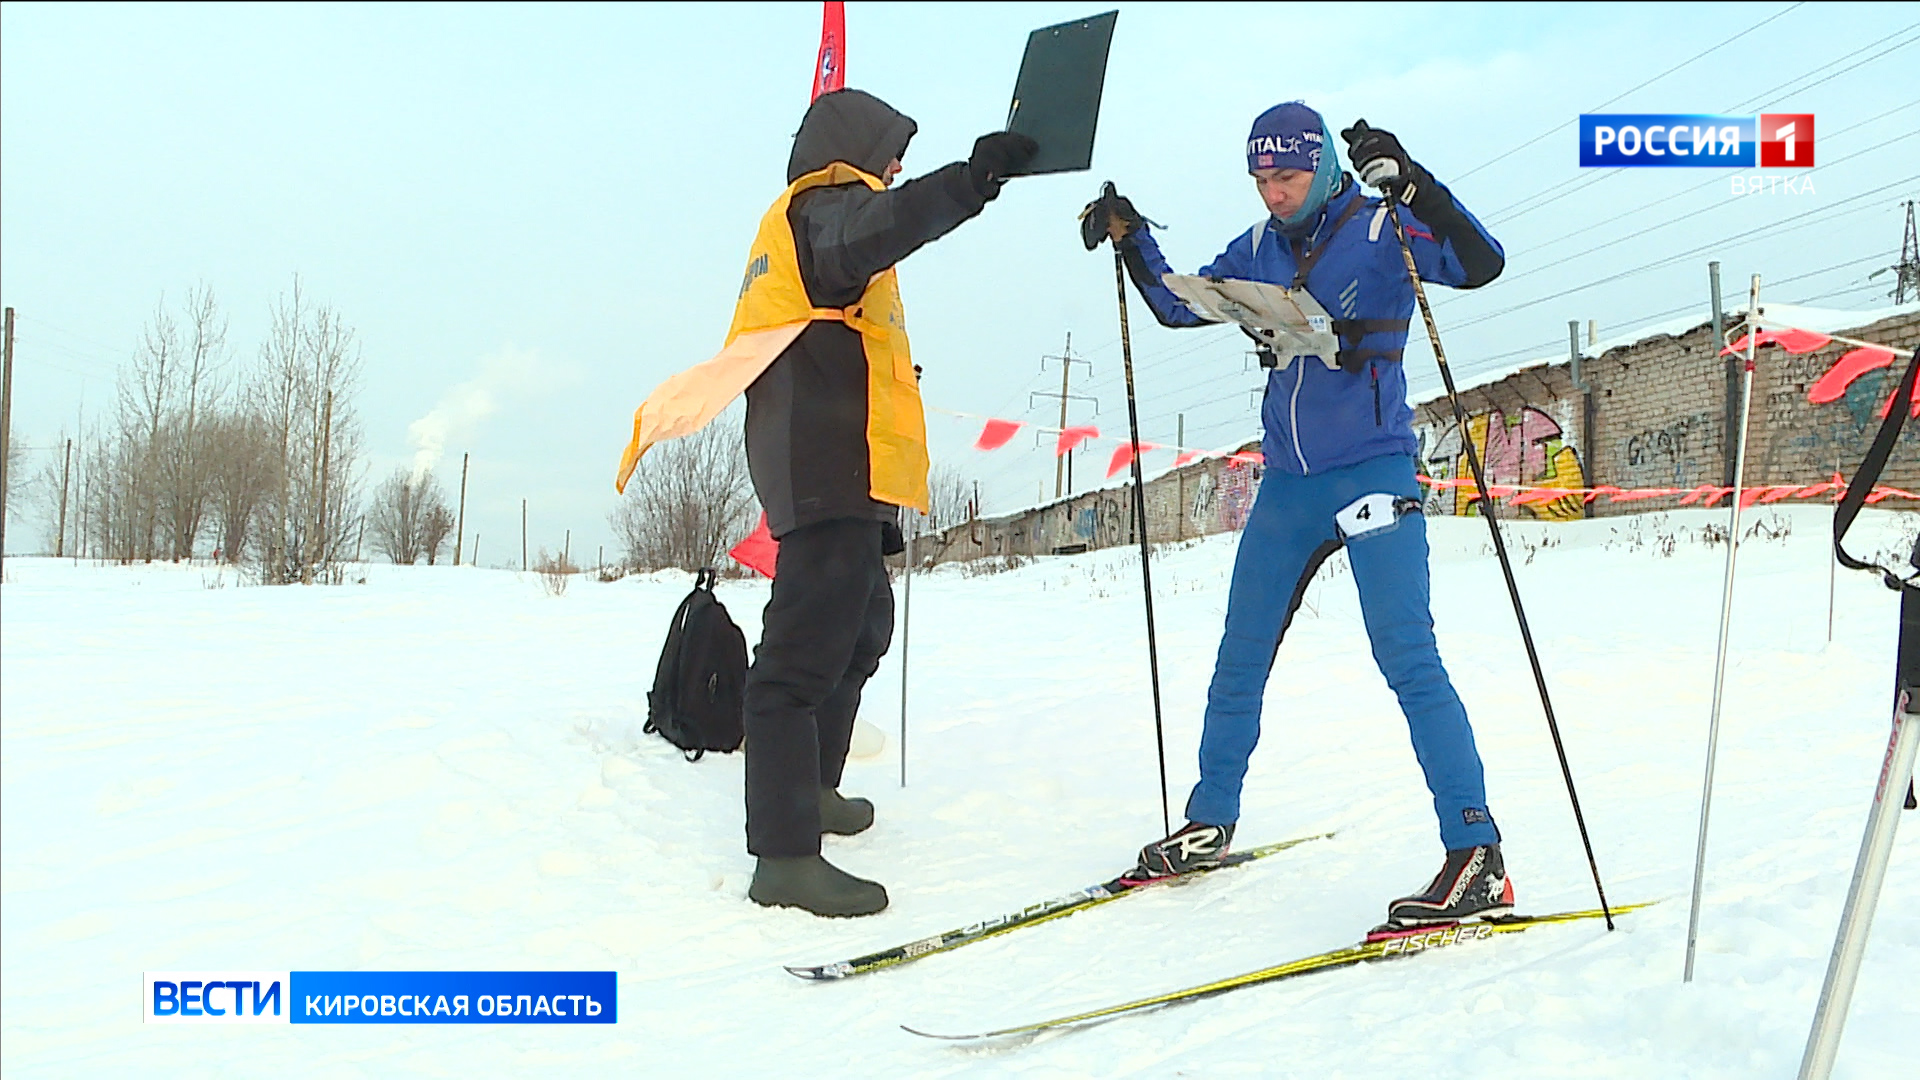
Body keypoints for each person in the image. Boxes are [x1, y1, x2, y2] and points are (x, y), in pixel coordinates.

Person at [1083, 101, 1513, 928]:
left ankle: (1477, 851)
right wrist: (1134, 240)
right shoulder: (1257, 248)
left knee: (1407, 659)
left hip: (1373, 471)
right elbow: (1182, 307)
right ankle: (1210, 819)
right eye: (1260, 179)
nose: (1273, 193)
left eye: (1285, 177)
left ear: (1320, 167)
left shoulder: (1383, 227)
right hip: (1288, 483)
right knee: (1239, 653)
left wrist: (1417, 185)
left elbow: (1483, 262)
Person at [738, 89, 1036, 917]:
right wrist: (972, 180)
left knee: (862, 629)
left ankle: (817, 789)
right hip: (823, 463)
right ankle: (784, 857)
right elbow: (886, 222)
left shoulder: (823, 222)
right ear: (853, 148)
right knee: (796, 661)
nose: (896, 166)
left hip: (850, 464)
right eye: (890, 151)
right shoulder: (822, 215)